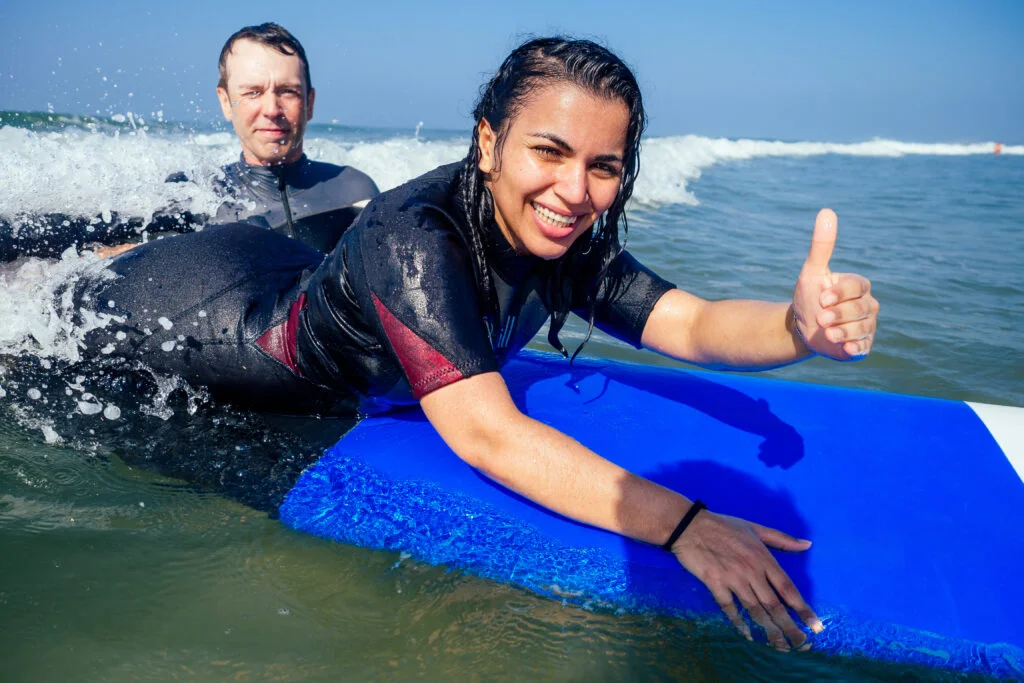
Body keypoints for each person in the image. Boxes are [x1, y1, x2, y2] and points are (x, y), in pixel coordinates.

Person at [68, 37, 879, 650]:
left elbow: (692, 322)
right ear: (489, 142)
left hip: (283, 269)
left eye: (604, 166)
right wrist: (686, 525)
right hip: (206, 308)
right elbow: (488, 433)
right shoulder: (416, 239)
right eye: (550, 151)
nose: (575, 190)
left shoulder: (568, 236)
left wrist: (795, 328)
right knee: (47, 310)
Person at [0, 23, 378, 261]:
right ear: (225, 101)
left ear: (309, 102)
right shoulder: (195, 193)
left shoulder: (354, 191)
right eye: (252, 92)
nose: (271, 109)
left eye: (288, 91)